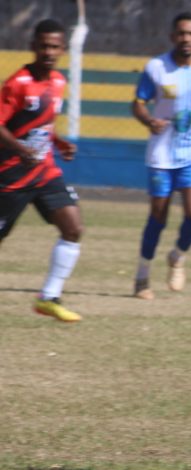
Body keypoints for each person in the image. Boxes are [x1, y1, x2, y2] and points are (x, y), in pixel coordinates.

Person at [130, 11, 191, 299]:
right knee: (158, 216)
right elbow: (138, 103)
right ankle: (142, 276)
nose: (186, 38)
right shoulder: (157, 67)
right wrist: (148, 120)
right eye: (181, 33)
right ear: (173, 37)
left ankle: (178, 255)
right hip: (162, 154)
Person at [0, 19, 84, 323]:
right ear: (33, 46)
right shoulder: (18, 83)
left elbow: (42, 124)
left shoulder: (58, 81)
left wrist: (59, 143)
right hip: (11, 176)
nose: (49, 52)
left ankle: (49, 297)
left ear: (62, 49)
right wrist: (22, 150)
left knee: (73, 228)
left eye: (54, 47)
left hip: (45, 172)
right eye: (44, 46)